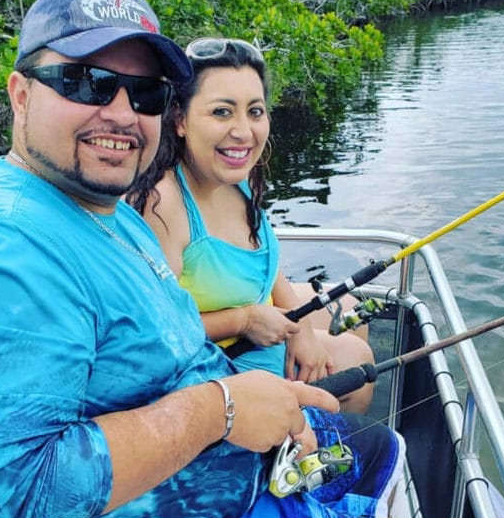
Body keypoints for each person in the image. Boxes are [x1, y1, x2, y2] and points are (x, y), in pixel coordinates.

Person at [0, 0, 478, 518]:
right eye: (84, 82)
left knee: (375, 451)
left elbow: (162, 352)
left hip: (217, 486)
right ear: (21, 95)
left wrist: (259, 395)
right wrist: (224, 409)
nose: (119, 112)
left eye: (144, 95)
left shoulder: (99, 208)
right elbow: (30, 493)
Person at [128, 37, 374, 413]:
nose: (243, 131)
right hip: (215, 364)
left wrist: (302, 328)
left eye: (254, 111)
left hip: (256, 320)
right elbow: (150, 332)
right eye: (222, 112)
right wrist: (242, 321)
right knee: (357, 356)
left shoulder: (236, 177)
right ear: (180, 120)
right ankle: (325, 444)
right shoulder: (163, 206)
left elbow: (264, 260)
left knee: (348, 309)